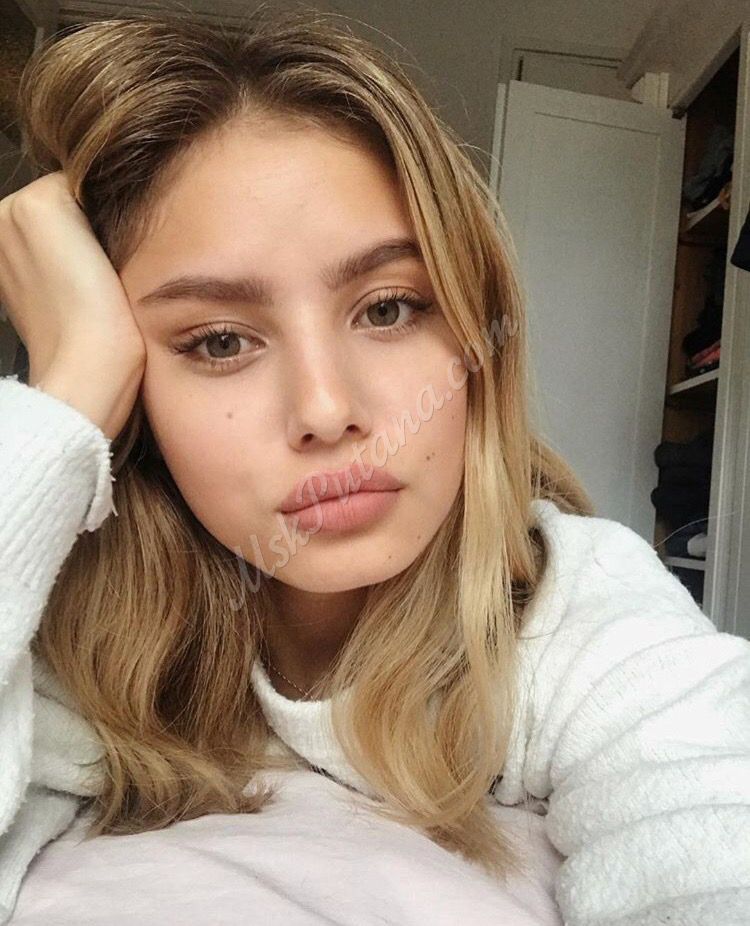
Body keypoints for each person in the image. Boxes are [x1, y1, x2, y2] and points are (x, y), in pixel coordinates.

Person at [0, 8, 748, 925]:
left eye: (389, 308)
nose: (326, 409)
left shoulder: (571, 611)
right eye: (221, 340)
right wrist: (67, 395)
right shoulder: (78, 619)